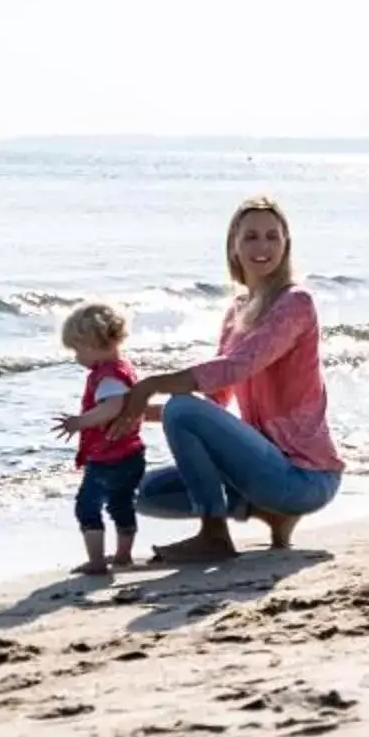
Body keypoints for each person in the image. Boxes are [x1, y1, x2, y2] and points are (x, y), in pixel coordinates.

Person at [109, 196, 342, 564]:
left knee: (182, 406)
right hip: (260, 470)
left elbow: (237, 366)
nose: (262, 246)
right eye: (250, 237)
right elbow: (217, 396)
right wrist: (130, 411)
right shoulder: (238, 310)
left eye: (272, 237)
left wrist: (151, 383)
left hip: (305, 477)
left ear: (286, 244)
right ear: (233, 244)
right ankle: (270, 513)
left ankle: (214, 534)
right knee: (136, 491)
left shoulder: (296, 302)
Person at [54, 300, 145, 575]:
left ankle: (97, 561)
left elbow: (112, 406)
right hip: (131, 453)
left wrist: (80, 422)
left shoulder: (108, 377)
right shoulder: (123, 368)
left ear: (92, 344)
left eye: (77, 350)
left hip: (109, 457)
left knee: (87, 507)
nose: (76, 357)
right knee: (121, 504)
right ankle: (123, 555)